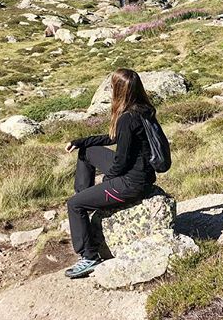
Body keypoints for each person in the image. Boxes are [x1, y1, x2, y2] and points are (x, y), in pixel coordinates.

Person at [63, 68, 157, 279]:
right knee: (87, 152)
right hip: (140, 174)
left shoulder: (127, 118)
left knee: (74, 204)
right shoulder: (143, 109)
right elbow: (115, 138)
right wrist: (82, 142)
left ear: (119, 90)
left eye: (112, 85)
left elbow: (121, 161)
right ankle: (85, 199)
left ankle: (89, 257)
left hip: (131, 184)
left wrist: (109, 178)